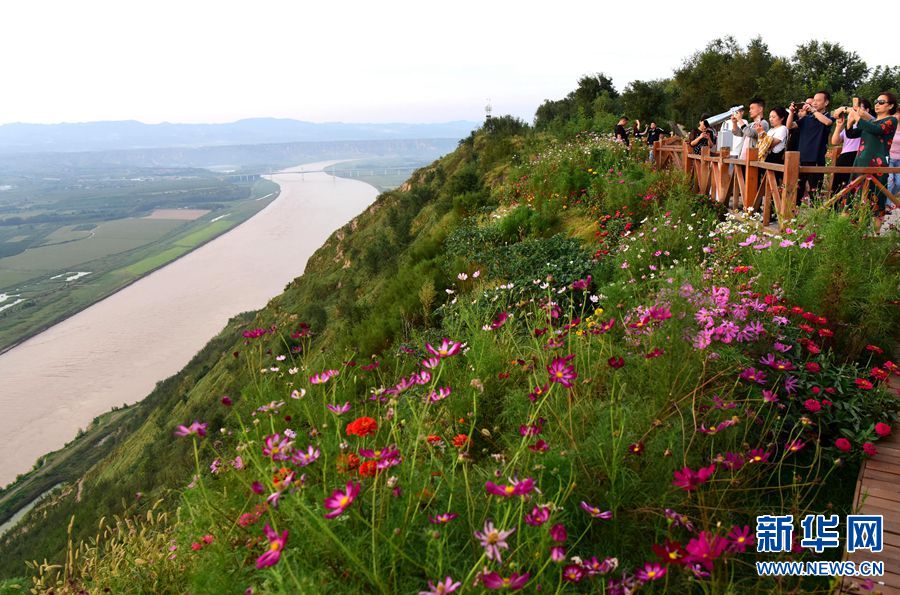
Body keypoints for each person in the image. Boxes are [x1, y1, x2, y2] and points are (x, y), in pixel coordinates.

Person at [846, 92, 898, 213]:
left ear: (890, 106)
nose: (877, 104)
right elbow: (851, 134)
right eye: (876, 101)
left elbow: (877, 130)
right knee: (853, 197)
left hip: (877, 165)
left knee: (876, 200)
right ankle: (854, 227)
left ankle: (876, 232)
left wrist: (858, 117)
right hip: (860, 161)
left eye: (881, 102)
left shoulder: (892, 120)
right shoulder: (870, 122)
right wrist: (849, 122)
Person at [786, 91, 835, 203]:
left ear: (826, 102)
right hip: (802, 159)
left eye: (818, 100)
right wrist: (791, 113)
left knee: (815, 193)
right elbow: (790, 126)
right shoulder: (807, 118)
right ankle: (793, 217)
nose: (815, 103)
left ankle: (815, 218)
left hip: (816, 159)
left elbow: (827, 122)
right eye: (814, 100)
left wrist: (813, 110)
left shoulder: (828, 117)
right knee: (797, 191)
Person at [830, 99, 872, 193]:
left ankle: (852, 206)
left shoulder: (869, 125)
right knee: (838, 185)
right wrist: (838, 126)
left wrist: (843, 108)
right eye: (854, 108)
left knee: (855, 187)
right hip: (845, 157)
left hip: (859, 156)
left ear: (867, 110)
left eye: (858, 107)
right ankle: (835, 206)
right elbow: (835, 141)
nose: (854, 110)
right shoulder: (849, 126)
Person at [759, 107, 789, 185]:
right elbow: (763, 143)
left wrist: (762, 133)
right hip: (767, 157)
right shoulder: (770, 130)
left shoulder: (783, 128)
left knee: (774, 182)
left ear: (782, 118)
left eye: (773, 117)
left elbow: (771, 143)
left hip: (775, 158)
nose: (771, 119)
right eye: (770, 117)